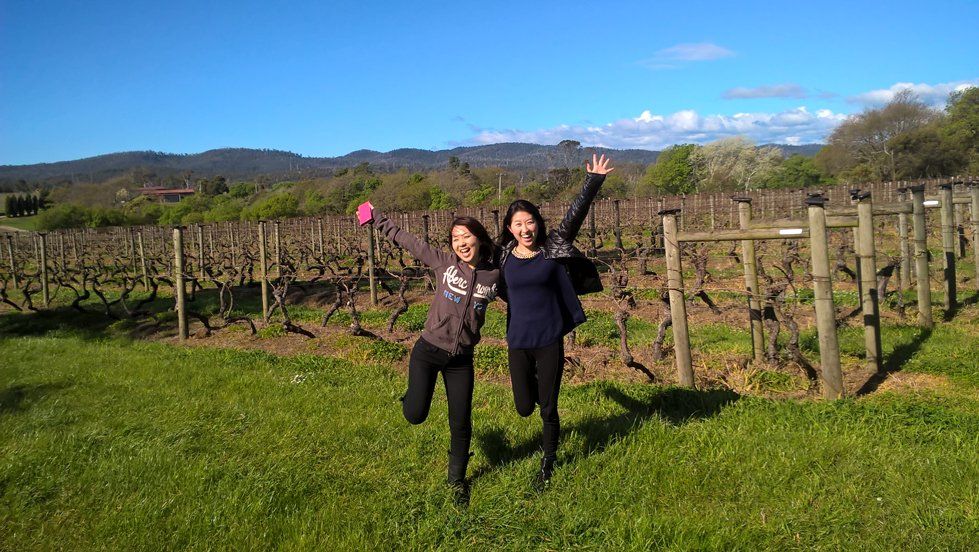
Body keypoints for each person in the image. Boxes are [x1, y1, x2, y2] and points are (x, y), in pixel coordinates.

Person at [496, 153, 613, 488]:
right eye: (518, 224)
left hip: (548, 339)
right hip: (518, 340)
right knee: (523, 407)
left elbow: (575, 215)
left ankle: (548, 462)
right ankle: (536, 386)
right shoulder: (502, 256)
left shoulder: (553, 246)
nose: (525, 228)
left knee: (548, 408)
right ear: (510, 229)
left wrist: (593, 181)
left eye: (530, 221)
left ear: (538, 222)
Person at [369, 208, 499, 505]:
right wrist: (376, 218)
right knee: (415, 415)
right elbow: (409, 241)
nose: (461, 243)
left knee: (461, 421)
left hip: (461, 359)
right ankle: (412, 396)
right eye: (455, 238)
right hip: (428, 350)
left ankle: (457, 482)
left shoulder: (494, 276)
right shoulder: (444, 263)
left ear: (479, 238)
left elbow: (522, 292)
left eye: (466, 236)